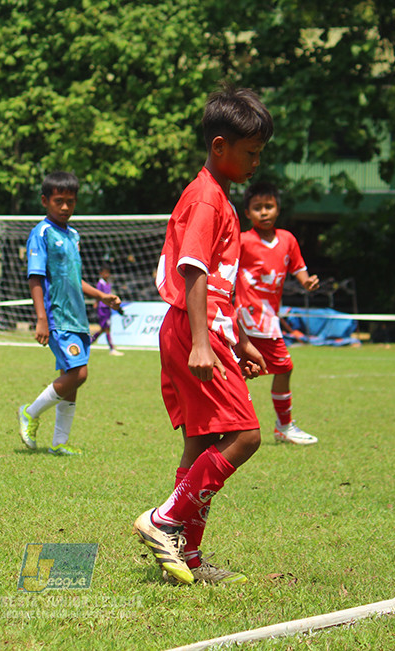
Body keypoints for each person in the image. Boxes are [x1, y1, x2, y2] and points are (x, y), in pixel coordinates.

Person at [132, 85, 270, 585]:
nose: (257, 161)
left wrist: (240, 339)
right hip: (193, 330)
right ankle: (165, 519)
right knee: (246, 435)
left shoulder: (214, 196)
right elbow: (192, 271)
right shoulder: (209, 199)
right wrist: (202, 341)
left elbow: (216, 284)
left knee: (200, 441)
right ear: (219, 147)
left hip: (199, 329)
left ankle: (186, 559)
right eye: (250, 152)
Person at [17, 171, 121, 456]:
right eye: (59, 201)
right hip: (57, 316)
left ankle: (60, 442)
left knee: (70, 376)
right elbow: (35, 277)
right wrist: (41, 319)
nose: (65, 207)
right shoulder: (42, 233)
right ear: (44, 201)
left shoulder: (73, 235)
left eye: (70, 202)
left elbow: (75, 278)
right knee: (79, 373)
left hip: (77, 317)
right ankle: (30, 412)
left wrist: (102, 296)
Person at [235, 182, 320, 445]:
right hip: (246, 317)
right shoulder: (242, 241)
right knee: (280, 367)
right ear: (247, 213)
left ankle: (278, 426)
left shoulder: (288, 239)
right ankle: (282, 426)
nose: (264, 212)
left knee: (240, 372)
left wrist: (307, 282)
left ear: (278, 209)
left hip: (269, 318)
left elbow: (299, 268)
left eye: (268, 206)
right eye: (257, 208)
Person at [89, 265, 124, 355]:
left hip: (107, 308)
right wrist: (96, 303)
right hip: (102, 308)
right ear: (101, 273)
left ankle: (89, 342)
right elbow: (98, 295)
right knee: (106, 328)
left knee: (104, 329)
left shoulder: (108, 283)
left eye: (108, 273)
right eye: (105, 273)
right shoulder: (100, 284)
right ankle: (112, 349)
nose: (107, 275)